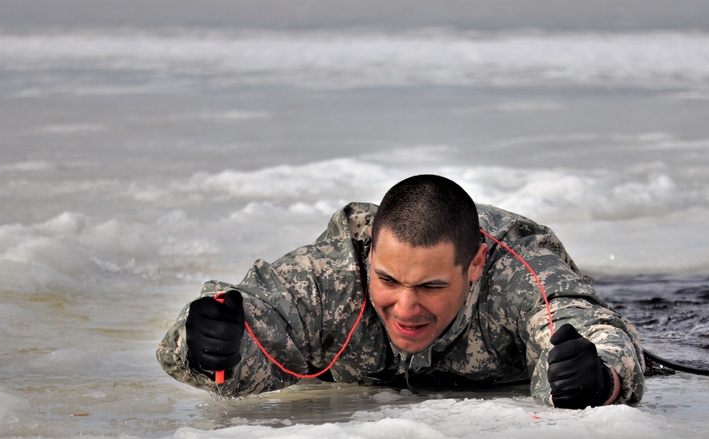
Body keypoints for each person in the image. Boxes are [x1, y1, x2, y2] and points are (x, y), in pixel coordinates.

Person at [157, 175, 645, 408]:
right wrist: (207, 346)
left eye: (432, 286)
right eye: (388, 280)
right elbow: (256, 313)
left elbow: (591, 326)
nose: (406, 308)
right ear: (371, 255)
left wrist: (601, 380)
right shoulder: (331, 275)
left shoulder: (517, 272)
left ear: (473, 264)